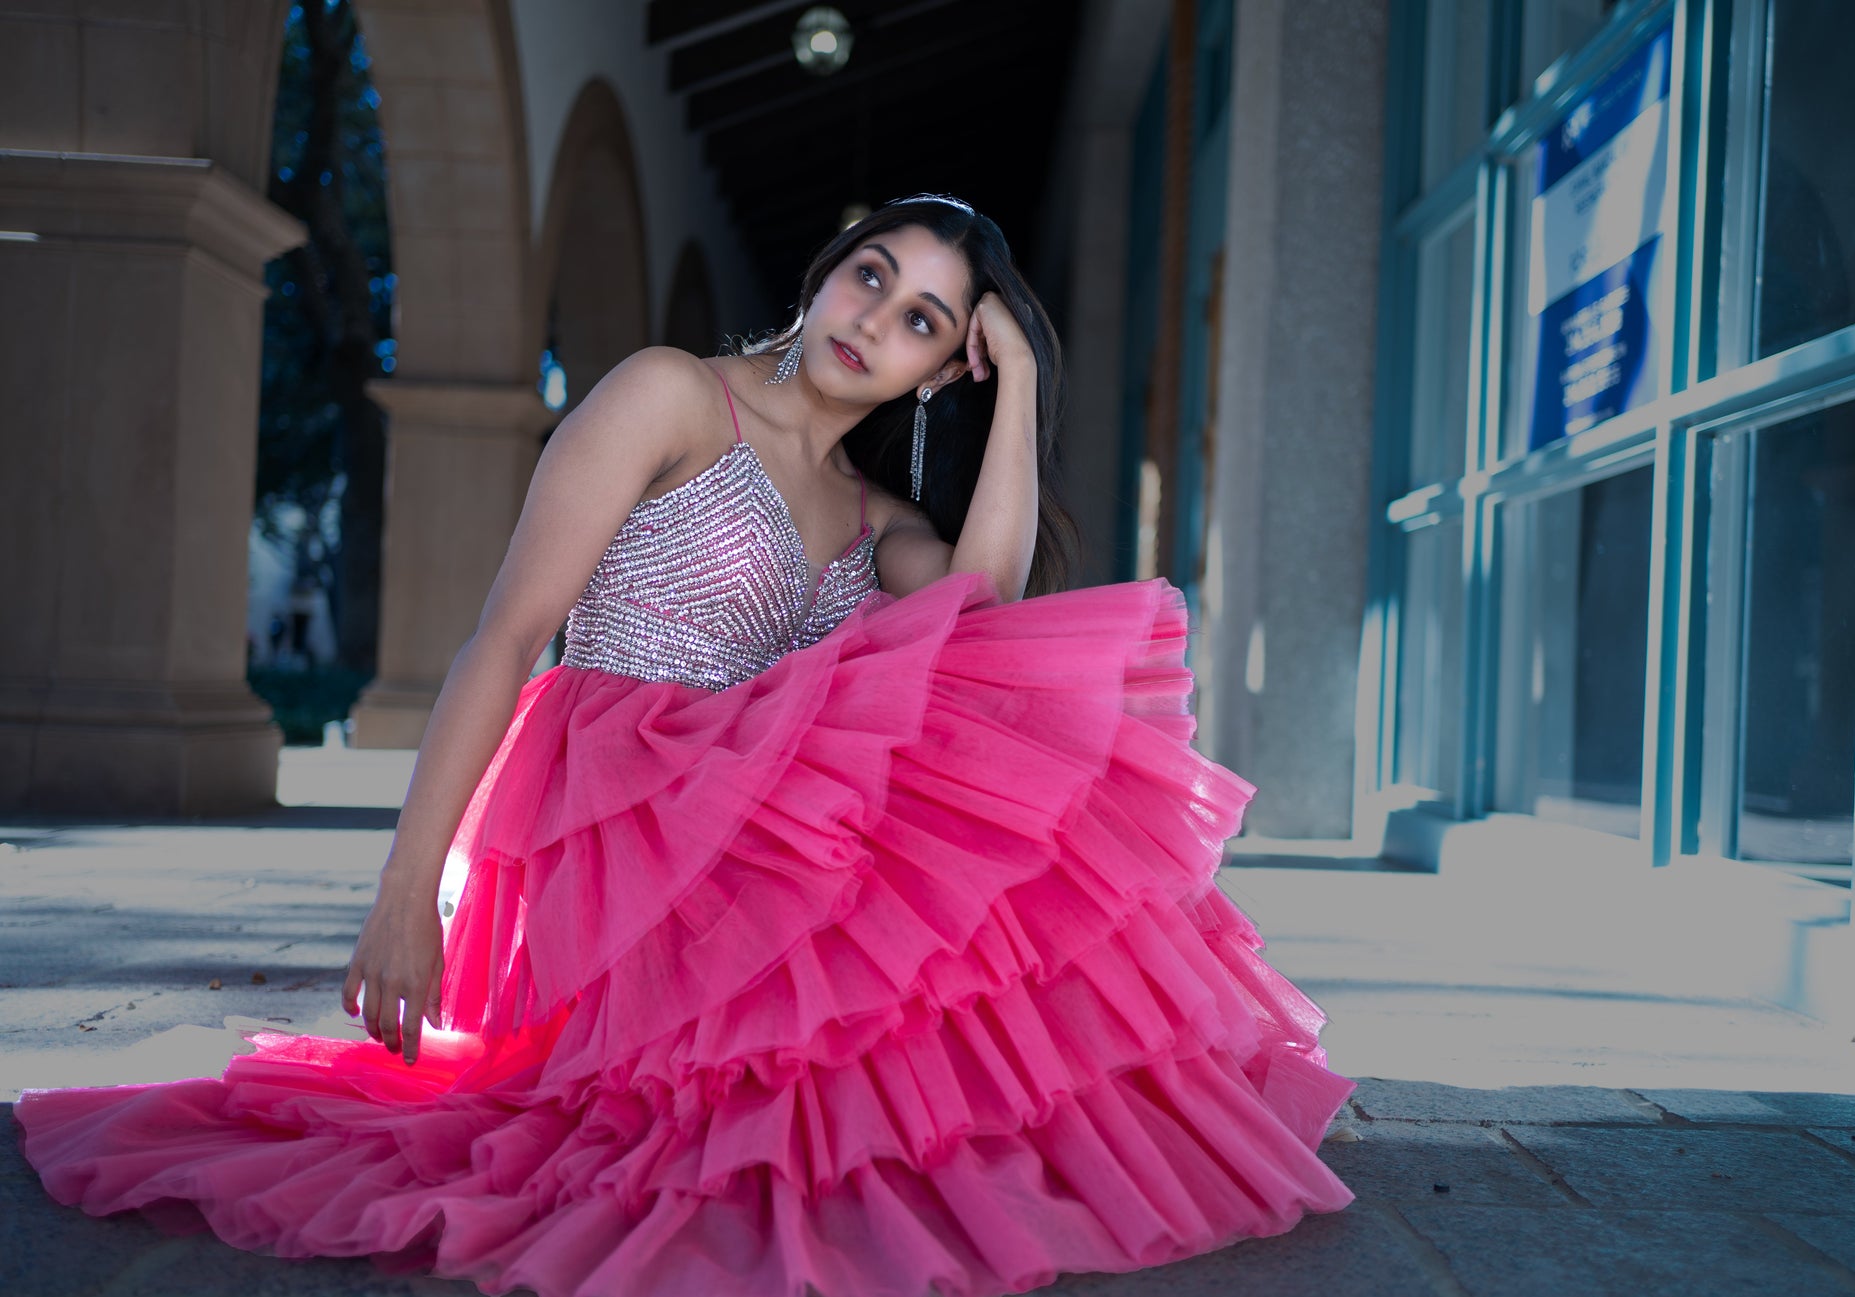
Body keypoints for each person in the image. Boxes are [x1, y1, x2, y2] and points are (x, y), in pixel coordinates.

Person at [14, 195, 1355, 1297]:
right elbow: (508, 634)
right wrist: (404, 897)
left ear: (944, 366)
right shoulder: (671, 396)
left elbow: (982, 614)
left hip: (747, 845)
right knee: (646, 1136)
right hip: (606, 823)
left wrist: (1016, 390)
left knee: (973, 754)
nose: (870, 322)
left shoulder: (875, 512)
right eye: (868, 277)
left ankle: (949, 1097)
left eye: (921, 323)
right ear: (824, 268)